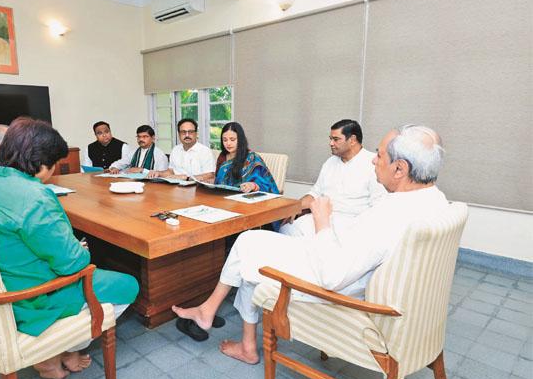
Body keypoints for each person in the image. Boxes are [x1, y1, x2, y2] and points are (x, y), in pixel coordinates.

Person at [173, 125, 449, 364]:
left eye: (379, 155)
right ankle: (212, 314)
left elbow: (333, 276)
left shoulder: (389, 214)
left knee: (248, 247)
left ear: (400, 169)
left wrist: (322, 221)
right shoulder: (433, 201)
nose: (373, 161)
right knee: (257, 247)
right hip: (351, 263)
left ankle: (227, 329)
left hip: (337, 284)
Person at [0, 117, 139, 379]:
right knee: (128, 285)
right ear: (41, 163)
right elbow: (73, 264)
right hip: (35, 299)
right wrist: (79, 247)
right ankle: (59, 347)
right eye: (54, 164)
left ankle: (58, 352)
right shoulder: (35, 197)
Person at [280, 119, 386, 237]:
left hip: (352, 223)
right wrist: (296, 206)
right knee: (288, 228)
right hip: (322, 218)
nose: (331, 143)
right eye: (330, 139)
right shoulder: (330, 162)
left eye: (336, 139)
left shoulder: (373, 163)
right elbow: (315, 194)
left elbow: (378, 206)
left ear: (352, 140)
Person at [214, 122, 279, 194]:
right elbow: (217, 181)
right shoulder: (222, 156)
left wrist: (253, 186)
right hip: (222, 197)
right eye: (225, 140)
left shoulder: (252, 158)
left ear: (240, 139)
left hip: (246, 199)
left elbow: (268, 185)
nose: (228, 143)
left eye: (232, 139)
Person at [148, 118, 215, 181]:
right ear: (179, 134)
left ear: (196, 134)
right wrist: (159, 173)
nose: (187, 135)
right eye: (183, 132)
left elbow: (210, 175)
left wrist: (186, 178)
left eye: (190, 132)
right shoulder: (175, 150)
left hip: (197, 189)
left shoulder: (205, 151)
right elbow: (171, 171)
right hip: (176, 187)